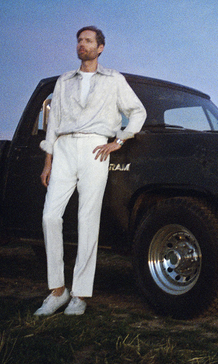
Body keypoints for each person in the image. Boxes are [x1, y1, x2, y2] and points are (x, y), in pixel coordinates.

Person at [34, 26, 146, 316]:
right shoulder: (64, 80)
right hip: (64, 149)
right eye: (79, 41)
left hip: (95, 148)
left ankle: (80, 295)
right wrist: (48, 162)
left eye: (87, 40)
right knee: (50, 217)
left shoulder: (113, 79)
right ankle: (57, 291)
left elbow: (137, 111)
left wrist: (120, 140)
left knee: (87, 219)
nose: (81, 45)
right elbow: (53, 123)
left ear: (100, 48)